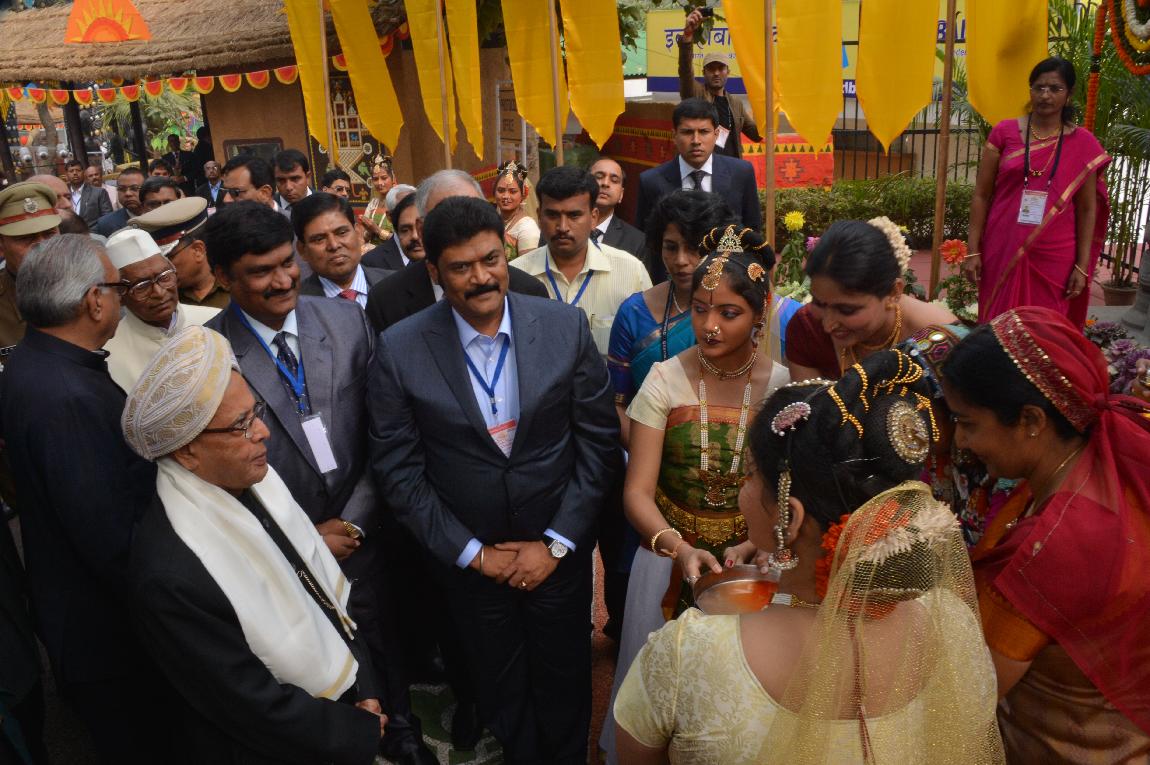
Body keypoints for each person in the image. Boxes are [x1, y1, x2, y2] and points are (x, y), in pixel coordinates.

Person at [613, 350, 1004, 765]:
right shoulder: (952, 625)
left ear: (791, 518)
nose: (742, 489)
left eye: (750, 476)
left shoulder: (691, 650)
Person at [368, 196, 620, 764]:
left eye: (491, 260)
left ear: (506, 254)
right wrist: (474, 555)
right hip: (470, 565)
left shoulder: (563, 326)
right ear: (434, 272)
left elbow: (598, 444)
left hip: (557, 555)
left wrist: (557, 545)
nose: (482, 278)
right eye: (461, 267)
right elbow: (399, 473)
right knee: (500, 690)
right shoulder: (400, 348)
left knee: (565, 680)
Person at [202, 200, 436, 764]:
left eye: (288, 263)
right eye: (262, 271)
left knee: (382, 636)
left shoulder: (347, 321)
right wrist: (305, 536)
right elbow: (216, 472)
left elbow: (387, 433)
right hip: (281, 547)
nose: (284, 280)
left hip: (362, 530)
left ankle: (402, 733)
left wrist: (352, 523)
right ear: (224, 277)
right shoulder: (208, 355)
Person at [124, 326, 386, 764]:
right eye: (241, 425)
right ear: (187, 452)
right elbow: (246, 702)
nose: (263, 432)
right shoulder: (169, 576)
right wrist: (352, 729)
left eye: (255, 412)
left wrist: (364, 688)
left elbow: (321, 596)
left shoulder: (255, 484)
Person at [600, 226, 790, 762]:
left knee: (743, 698)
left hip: (752, 564)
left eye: (729, 313)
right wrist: (679, 548)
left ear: (759, 314)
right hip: (667, 560)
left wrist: (761, 545)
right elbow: (637, 492)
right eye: (701, 309)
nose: (709, 325)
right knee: (658, 698)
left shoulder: (781, 385)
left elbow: (787, 488)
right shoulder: (664, 379)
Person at [942, 307, 1150, 759]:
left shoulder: (1053, 547)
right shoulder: (1097, 464)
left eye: (968, 423)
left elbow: (967, 697)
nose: (960, 442)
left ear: (1032, 421)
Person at [0, 235, 173, 763]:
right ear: (95, 300)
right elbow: (109, 536)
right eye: (119, 289)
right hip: (110, 637)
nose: (123, 300)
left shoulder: (39, 363)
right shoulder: (68, 395)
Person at [964, 57, 1110, 327]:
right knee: (996, 323)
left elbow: (1088, 208)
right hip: (1003, 244)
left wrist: (1081, 266)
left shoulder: (1084, 144)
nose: (1045, 95)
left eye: (1055, 88)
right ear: (1030, 90)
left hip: (1055, 253)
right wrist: (972, 250)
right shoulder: (1004, 133)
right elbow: (981, 195)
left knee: (1047, 326)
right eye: (1039, 87)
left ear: (1069, 94)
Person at [607, 191, 735, 446]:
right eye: (671, 247)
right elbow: (616, 405)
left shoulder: (740, 313)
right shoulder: (634, 312)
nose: (681, 260)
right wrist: (655, 457)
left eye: (694, 248)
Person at [364, 170, 547, 334]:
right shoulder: (386, 301)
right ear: (421, 228)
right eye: (446, 218)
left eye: (474, 214)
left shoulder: (529, 292)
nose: (463, 227)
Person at [786, 219, 956, 381]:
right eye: (818, 303)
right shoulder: (806, 327)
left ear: (893, 293)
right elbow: (805, 401)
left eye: (846, 310)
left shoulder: (942, 341)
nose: (828, 325)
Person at [510, 165, 652, 355]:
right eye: (552, 215)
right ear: (539, 217)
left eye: (574, 215)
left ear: (593, 218)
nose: (562, 227)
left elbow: (648, 349)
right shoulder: (514, 276)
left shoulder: (631, 272)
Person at [635, 98, 762, 281]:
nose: (696, 141)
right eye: (687, 132)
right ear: (674, 135)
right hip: (672, 281)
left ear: (716, 134)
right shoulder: (651, 181)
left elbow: (752, 230)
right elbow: (646, 242)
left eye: (703, 132)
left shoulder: (741, 173)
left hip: (728, 279)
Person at [102, 228, 219, 389]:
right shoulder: (110, 357)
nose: (159, 292)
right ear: (120, 295)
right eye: (142, 286)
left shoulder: (215, 321)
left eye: (164, 277)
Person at [677, 10, 762, 159]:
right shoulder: (696, 94)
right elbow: (685, 71)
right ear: (704, 73)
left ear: (728, 72)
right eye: (711, 69)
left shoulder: (736, 104)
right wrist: (688, 36)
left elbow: (756, 134)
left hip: (731, 166)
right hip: (704, 165)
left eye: (720, 68)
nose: (716, 73)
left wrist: (768, 109)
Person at [294, 192, 391, 308]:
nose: (334, 245)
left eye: (342, 233)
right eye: (319, 239)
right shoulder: (296, 305)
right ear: (302, 250)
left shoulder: (395, 286)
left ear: (358, 233)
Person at [133, 196, 229, 310]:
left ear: (198, 250)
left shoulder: (237, 285)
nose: (161, 269)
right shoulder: (160, 300)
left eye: (168, 258)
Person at [0, 182, 61, 349]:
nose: (42, 246)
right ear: (1, 245)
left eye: (49, 234)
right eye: (25, 238)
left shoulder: (88, 287)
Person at [590, 157, 646, 261]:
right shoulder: (565, 227)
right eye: (599, 177)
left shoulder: (637, 241)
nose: (605, 183)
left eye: (614, 180)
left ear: (621, 194)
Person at [494, 160, 541, 261]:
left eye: (513, 191)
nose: (505, 196)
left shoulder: (527, 228)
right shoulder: (494, 221)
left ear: (523, 195)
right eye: (501, 190)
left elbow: (528, 267)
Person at [363, 191, 419, 271]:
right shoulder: (370, 261)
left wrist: (378, 231)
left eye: (420, 227)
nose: (415, 236)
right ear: (390, 216)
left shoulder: (433, 256)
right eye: (405, 230)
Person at [92, 166, 144, 237]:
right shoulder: (105, 224)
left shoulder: (158, 217)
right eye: (122, 189)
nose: (128, 193)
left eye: (134, 188)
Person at [361, 154, 396, 244]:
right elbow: (364, 238)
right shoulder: (373, 204)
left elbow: (401, 239)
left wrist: (378, 230)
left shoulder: (399, 202)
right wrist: (369, 231)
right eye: (375, 179)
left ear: (392, 178)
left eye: (384, 178)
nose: (380, 183)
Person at [65, 158, 111, 227]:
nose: (75, 173)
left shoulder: (99, 192)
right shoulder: (63, 195)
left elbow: (107, 218)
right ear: (66, 175)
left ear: (83, 173)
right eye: (71, 171)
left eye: (78, 170)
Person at [274, 148, 314, 212]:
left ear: (307, 177)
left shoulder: (327, 205)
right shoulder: (268, 208)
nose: (288, 187)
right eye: (281, 180)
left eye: (295, 179)